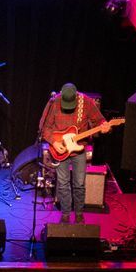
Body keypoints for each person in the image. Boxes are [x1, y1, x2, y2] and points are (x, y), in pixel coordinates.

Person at [36, 81, 108, 225]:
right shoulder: (54, 102)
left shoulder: (86, 102)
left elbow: (100, 121)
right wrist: (54, 142)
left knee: (79, 184)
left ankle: (79, 214)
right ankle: (66, 214)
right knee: (62, 184)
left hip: (79, 149)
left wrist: (105, 127)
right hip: (59, 149)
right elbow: (44, 128)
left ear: (76, 97)